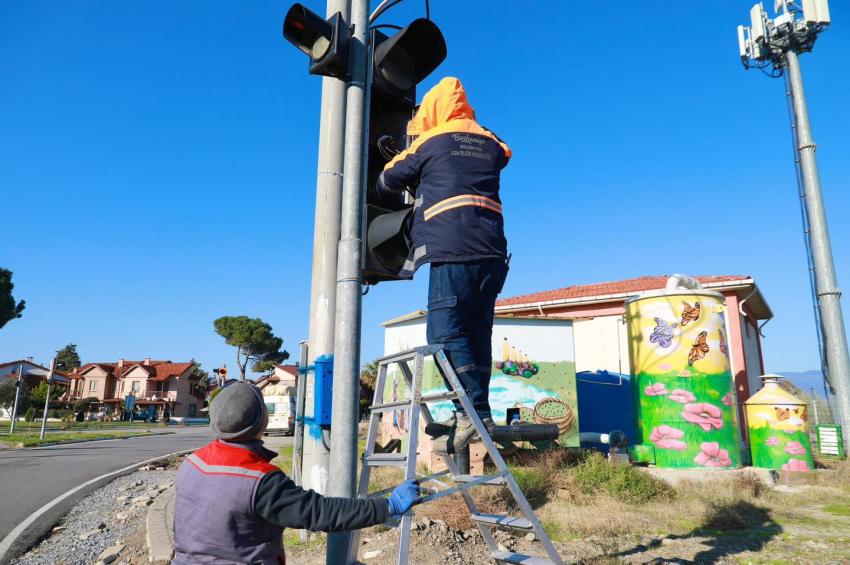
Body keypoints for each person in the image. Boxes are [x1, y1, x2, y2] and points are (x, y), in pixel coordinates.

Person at [377, 77, 511, 455]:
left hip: (453, 248)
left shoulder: (431, 141)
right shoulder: (488, 143)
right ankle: (471, 412)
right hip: (492, 255)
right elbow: (505, 150)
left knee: (445, 334)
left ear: (434, 110)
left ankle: (472, 414)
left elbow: (389, 178)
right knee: (475, 334)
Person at [173, 382, 420, 564]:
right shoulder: (260, 480)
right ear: (263, 422)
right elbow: (321, 512)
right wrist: (388, 506)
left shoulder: (191, 463)